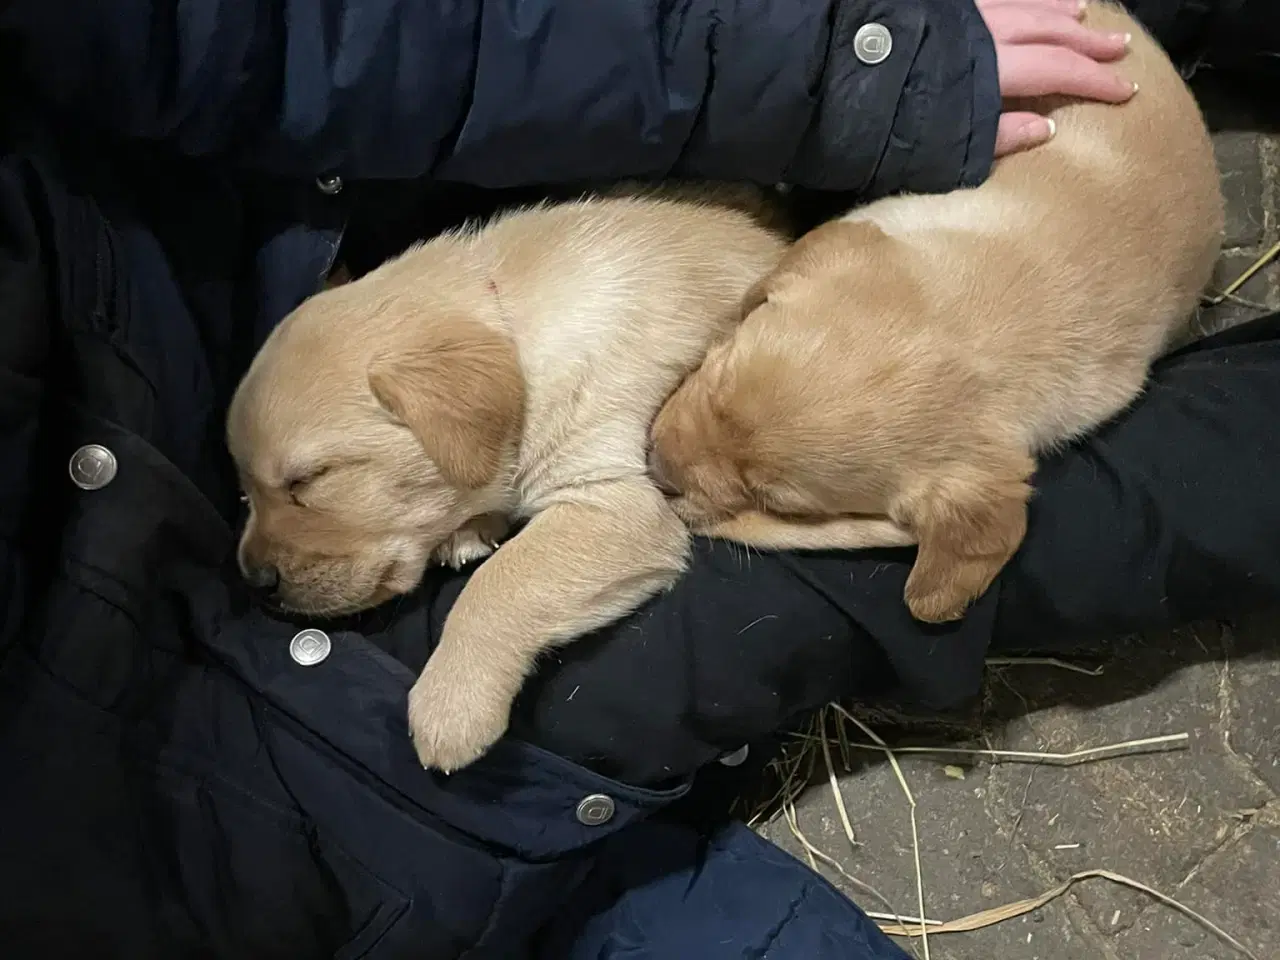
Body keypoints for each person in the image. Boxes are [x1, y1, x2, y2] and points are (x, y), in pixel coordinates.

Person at [0, 1, 1276, 958]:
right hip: (276, 765)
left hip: (259, 255)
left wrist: (861, 60)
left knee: (1006, 77)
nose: (670, 445)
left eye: (294, 491)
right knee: (1049, 512)